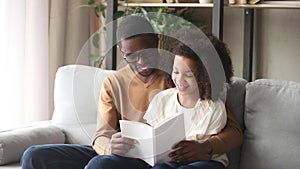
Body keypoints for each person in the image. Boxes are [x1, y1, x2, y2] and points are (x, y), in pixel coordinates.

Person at [21, 15, 241, 169]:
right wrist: (110, 146)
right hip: (127, 155)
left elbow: (233, 131)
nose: (142, 62)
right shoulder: (114, 83)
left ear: (156, 41)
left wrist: (207, 148)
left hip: (168, 158)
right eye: (132, 56)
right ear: (121, 51)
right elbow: (101, 135)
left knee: (101, 165)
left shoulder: (178, 75)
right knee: (35, 156)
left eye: (147, 52)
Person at [143, 29, 232, 169]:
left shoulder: (213, 107)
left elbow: (203, 150)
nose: (180, 80)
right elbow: (150, 133)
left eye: (189, 75)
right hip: (169, 160)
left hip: (206, 161)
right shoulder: (162, 99)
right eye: (176, 72)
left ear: (205, 75)